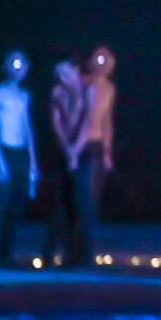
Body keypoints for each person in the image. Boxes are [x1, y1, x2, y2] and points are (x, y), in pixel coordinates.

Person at [0, 50, 37, 268]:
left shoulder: (25, 96)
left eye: (22, 64)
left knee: (16, 207)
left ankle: (7, 255)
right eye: (15, 64)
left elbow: (27, 129)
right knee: (0, 207)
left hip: (21, 153)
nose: (19, 68)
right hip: (5, 151)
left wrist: (33, 164)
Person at [72, 46, 117, 268]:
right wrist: (75, 149)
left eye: (107, 60)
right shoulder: (87, 85)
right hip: (84, 146)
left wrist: (107, 151)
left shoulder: (108, 88)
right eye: (100, 59)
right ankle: (83, 255)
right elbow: (86, 120)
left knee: (91, 202)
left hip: (96, 147)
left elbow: (106, 120)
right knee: (84, 202)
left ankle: (87, 254)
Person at [42, 59, 87, 267]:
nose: (63, 79)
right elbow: (56, 123)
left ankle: (76, 254)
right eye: (60, 75)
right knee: (61, 205)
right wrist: (67, 150)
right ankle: (50, 254)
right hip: (64, 152)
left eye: (66, 74)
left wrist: (76, 150)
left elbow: (89, 122)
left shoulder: (86, 90)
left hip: (84, 150)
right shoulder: (57, 93)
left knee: (78, 204)